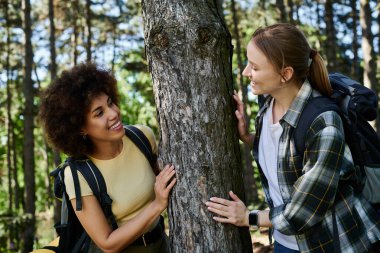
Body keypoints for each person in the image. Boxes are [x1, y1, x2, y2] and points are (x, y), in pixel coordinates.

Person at [205, 23, 380, 252]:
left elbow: (303, 212)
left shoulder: (324, 122)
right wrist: (250, 137)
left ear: (285, 74)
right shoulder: (268, 103)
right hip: (285, 241)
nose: (246, 72)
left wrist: (249, 217)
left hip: (335, 244)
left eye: (255, 67)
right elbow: (288, 155)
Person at [38, 62, 176, 253]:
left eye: (110, 102)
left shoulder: (142, 137)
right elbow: (107, 243)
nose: (113, 113)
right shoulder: (77, 174)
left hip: (163, 245)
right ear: (80, 128)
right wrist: (157, 205)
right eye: (99, 113)